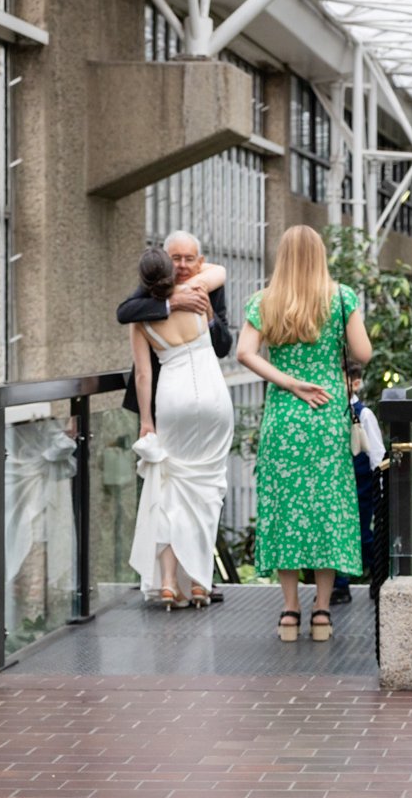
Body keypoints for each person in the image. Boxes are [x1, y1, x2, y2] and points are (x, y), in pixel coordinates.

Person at [236, 224, 372, 642]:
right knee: (329, 510)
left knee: (285, 509)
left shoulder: (264, 302)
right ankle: (323, 614)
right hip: (327, 415)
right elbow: (363, 354)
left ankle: (289, 612)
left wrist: (289, 382)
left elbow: (244, 353)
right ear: (319, 256)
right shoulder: (341, 297)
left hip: (285, 417)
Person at [127, 247, 235, 609]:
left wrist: (146, 421)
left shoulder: (142, 321)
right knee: (207, 492)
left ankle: (171, 583)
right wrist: (178, 292)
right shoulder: (198, 293)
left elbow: (143, 375)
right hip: (214, 398)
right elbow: (218, 270)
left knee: (170, 492)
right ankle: (201, 583)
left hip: (172, 401)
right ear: (173, 276)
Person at [118, 230, 233, 425]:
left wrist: (209, 314)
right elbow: (124, 313)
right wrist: (173, 302)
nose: (182, 266)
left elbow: (223, 348)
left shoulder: (211, 286)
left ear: (200, 261)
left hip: (206, 394)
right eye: (176, 258)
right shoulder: (152, 285)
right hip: (157, 395)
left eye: (189, 259)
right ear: (165, 260)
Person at [332, 361, 386, 605]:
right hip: (336, 484)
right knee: (336, 533)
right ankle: (340, 586)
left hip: (361, 485)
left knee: (363, 534)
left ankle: (378, 578)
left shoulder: (364, 414)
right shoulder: (330, 411)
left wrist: (380, 486)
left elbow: (376, 452)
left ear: (355, 383)